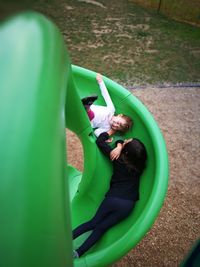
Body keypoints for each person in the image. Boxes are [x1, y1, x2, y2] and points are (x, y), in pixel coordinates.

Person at [72, 128, 147, 258]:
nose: (125, 141)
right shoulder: (140, 166)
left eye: (126, 141)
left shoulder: (117, 158)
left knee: (93, 223)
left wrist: (117, 144)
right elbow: (133, 151)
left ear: (126, 151)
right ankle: (78, 253)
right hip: (128, 205)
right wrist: (122, 145)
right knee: (101, 228)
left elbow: (100, 141)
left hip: (114, 199)